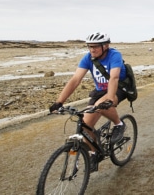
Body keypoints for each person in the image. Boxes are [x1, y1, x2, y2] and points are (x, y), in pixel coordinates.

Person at [49, 32, 127, 172]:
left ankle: (119, 124)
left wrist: (109, 98)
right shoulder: (88, 58)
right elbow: (75, 80)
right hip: (99, 92)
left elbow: (114, 78)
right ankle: (94, 153)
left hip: (117, 88)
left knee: (100, 106)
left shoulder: (115, 55)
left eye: (96, 47)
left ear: (106, 46)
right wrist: (59, 102)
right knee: (84, 125)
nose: (92, 50)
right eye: (90, 47)